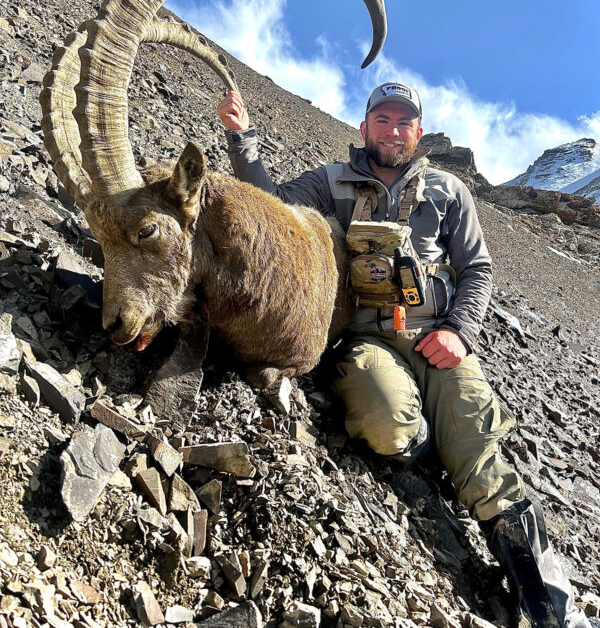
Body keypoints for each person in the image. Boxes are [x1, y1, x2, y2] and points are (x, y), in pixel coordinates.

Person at [217, 82, 596, 628]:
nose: (393, 131)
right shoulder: (331, 183)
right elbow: (273, 214)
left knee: (481, 454)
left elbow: (478, 269)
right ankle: (430, 450)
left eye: (404, 123)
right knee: (385, 422)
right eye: (383, 120)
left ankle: (550, 607)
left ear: (418, 133)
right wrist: (242, 138)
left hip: (440, 340)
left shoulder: (448, 190)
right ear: (364, 126)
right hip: (369, 338)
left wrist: (460, 333)